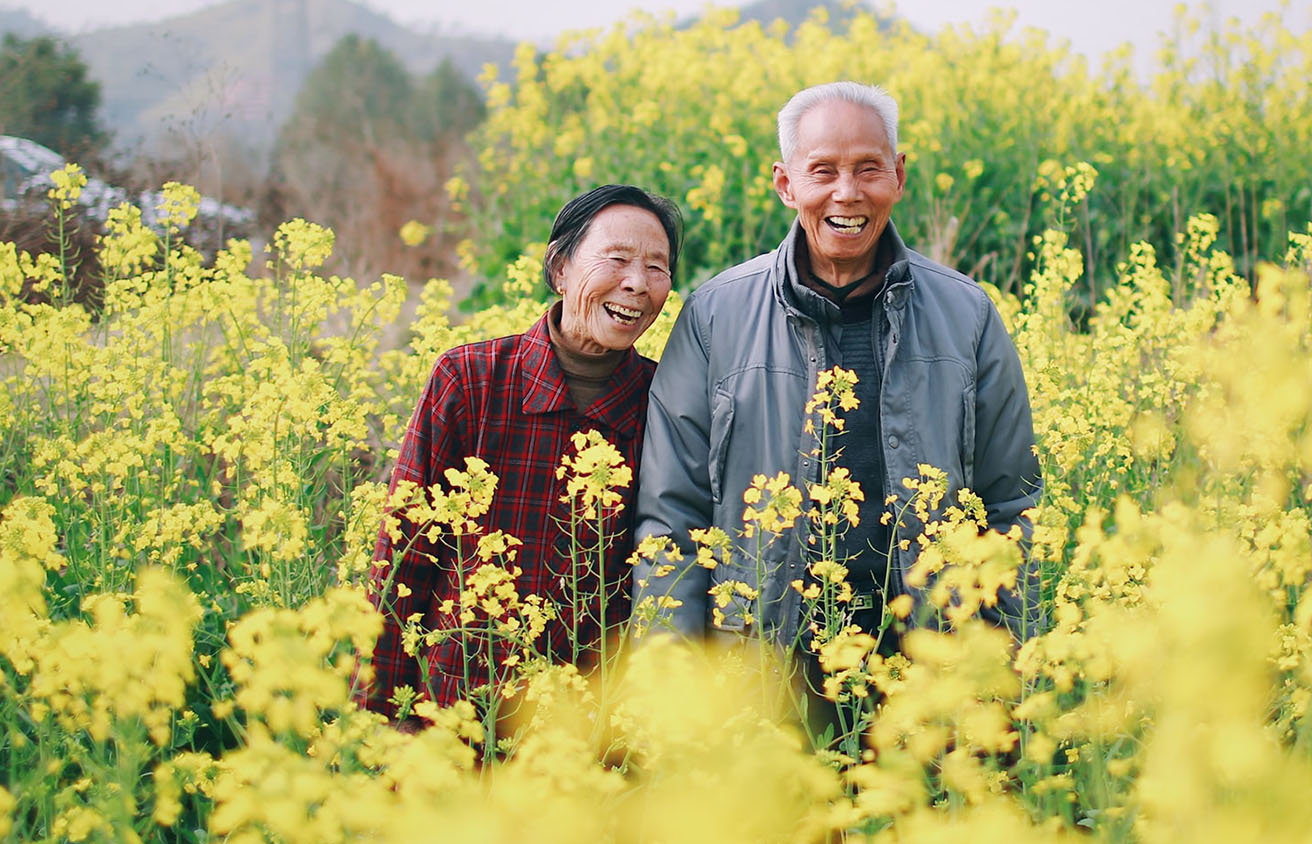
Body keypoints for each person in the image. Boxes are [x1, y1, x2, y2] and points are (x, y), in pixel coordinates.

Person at [632, 81, 1041, 653]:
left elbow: (1012, 505)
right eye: (823, 171)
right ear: (785, 183)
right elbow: (673, 515)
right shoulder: (714, 316)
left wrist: (996, 671)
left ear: (898, 176)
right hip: (760, 668)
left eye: (869, 169)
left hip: (930, 668)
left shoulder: (966, 315)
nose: (846, 194)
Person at [363, 184, 682, 722]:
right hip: (456, 715)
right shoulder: (470, 381)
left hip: (586, 736)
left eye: (657, 267)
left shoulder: (667, 401)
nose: (637, 283)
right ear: (559, 269)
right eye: (618, 259)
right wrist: (372, 723)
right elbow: (402, 561)